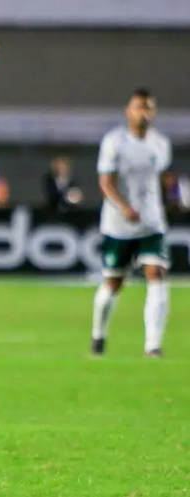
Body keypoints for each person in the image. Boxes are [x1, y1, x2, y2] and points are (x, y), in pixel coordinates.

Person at [91, 88, 172, 358]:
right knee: (113, 283)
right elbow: (105, 182)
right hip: (119, 225)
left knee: (156, 274)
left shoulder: (160, 144)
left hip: (152, 224)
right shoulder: (115, 142)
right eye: (139, 107)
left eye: (149, 108)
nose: (144, 113)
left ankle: (153, 345)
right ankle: (98, 336)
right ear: (129, 111)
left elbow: (157, 180)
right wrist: (124, 207)